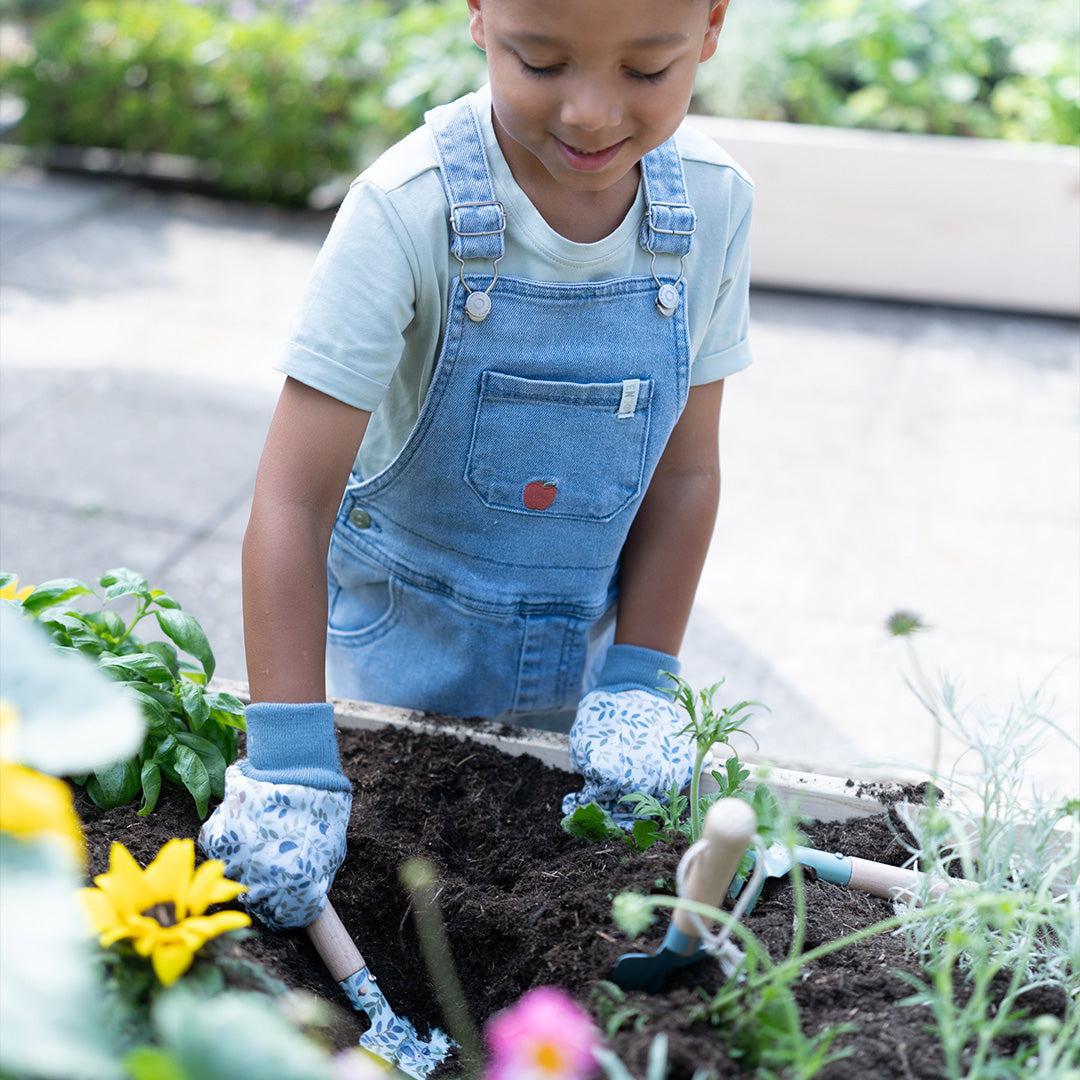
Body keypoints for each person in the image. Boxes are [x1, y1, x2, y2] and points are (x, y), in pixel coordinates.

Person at [200, 0, 752, 931]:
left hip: (585, 691)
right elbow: (292, 501)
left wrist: (642, 678)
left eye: (646, 72)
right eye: (540, 61)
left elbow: (687, 474)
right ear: (480, 16)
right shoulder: (408, 210)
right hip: (385, 692)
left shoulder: (711, 204)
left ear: (709, 28)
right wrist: (291, 754)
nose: (590, 112)